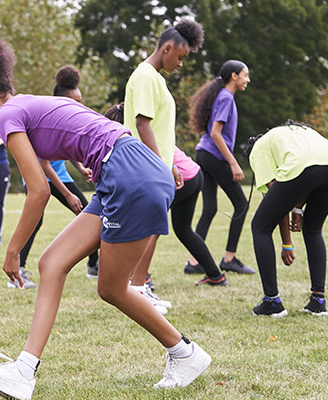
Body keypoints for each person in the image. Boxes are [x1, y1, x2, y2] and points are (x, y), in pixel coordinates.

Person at [0, 33, 211, 400]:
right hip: (126, 169)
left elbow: (39, 191)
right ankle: (23, 371)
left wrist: (13, 250)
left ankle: (185, 352)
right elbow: (82, 129)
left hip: (130, 173)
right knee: (52, 262)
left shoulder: (9, 113)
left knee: (111, 287)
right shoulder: (27, 105)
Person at [123, 19, 204, 302]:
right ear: (167, 48)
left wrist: (170, 164)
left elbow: (157, 129)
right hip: (146, 167)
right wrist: (161, 167)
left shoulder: (155, 78)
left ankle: (138, 288)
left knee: (152, 229)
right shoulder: (145, 76)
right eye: (180, 57)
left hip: (156, 166)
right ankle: (136, 289)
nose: (181, 63)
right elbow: (142, 125)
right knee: (149, 229)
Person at [106, 104, 227, 288]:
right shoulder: (150, 133)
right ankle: (215, 276)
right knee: (184, 230)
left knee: (150, 228)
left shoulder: (134, 139)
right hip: (194, 175)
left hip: (179, 178)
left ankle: (142, 278)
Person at [17, 65, 99, 289]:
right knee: (36, 220)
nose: (79, 106)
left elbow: (67, 148)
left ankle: (94, 265)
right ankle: (18, 271)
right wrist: (68, 194)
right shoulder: (47, 117)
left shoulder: (68, 117)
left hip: (59, 174)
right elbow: (44, 166)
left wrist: (81, 168)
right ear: (62, 100)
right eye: (75, 101)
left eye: (80, 100)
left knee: (89, 213)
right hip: (39, 176)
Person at [247, 122, 328, 317]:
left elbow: (276, 194)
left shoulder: (259, 149)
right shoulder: (296, 133)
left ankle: (272, 302)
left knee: (260, 226)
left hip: (302, 166)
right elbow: (299, 185)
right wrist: (298, 210)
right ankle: (318, 302)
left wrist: (287, 243)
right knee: (313, 229)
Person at [188, 60, 254, 274]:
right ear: (234, 76)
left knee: (210, 208)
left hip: (204, 154)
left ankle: (194, 262)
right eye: (245, 75)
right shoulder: (226, 97)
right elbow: (216, 133)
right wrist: (233, 163)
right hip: (213, 155)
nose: (248, 80)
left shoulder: (221, 96)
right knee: (242, 205)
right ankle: (229, 258)